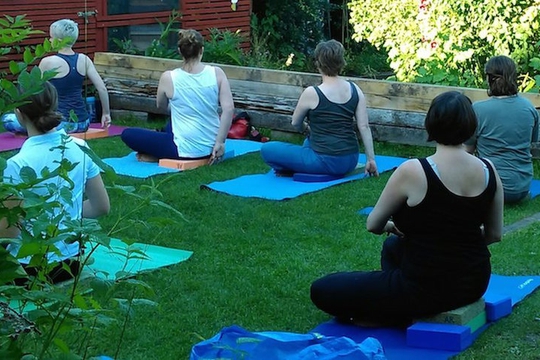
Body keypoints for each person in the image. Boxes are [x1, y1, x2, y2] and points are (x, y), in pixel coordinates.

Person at [310, 91, 504, 326]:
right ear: (471, 125)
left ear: (430, 123)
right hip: (474, 282)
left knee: (322, 289)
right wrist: (455, 243)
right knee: (393, 247)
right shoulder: (488, 169)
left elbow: (373, 224)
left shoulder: (413, 171)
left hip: (424, 286)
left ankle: (394, 313)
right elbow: (494, 234)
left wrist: (393, 226)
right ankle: (395, 304)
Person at [0, 81, 110, 283]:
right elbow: (101, 207)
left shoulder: (18, 164)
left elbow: (9, 233)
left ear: (18, 114)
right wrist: (65, 211)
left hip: (28, 270)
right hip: (71, 264)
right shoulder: (80, 146)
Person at [260, 40, 378, 177]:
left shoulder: (312, 93)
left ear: (318, 64)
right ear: (341, 62)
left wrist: (306, 129)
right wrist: (371, 160)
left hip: (325, 161)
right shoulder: (355, 89)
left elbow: (295, 123)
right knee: (308, 142)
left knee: (268, 149)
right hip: (350, 159)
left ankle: (295, 167)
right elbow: (364, 127)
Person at [120, 29, 234, 164]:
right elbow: (229, 109)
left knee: (127, 134)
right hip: (211, 146)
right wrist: (220, 142)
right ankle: (160, 151)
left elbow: (161, 106)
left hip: (183, 150)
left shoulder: (169, 77)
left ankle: (158, 156)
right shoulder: (217, 73)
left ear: (180, 52)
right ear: (202, 50)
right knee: (171, 124)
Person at [465, 55, 539, 204]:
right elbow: (532, 141)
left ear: (489, 79)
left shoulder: (478, 109)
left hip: (489, 186)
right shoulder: (529, 108)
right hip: (521, 187)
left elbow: (467, 150)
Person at [35, 19, 111, 133]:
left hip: (60, 124)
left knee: (9, 120)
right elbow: (102, 88)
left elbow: (34, 91)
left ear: (59, 40)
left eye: (51, 37)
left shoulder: (48, 62)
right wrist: (106, 113)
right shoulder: (84, 59)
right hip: (83, 123)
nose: (49, 40)